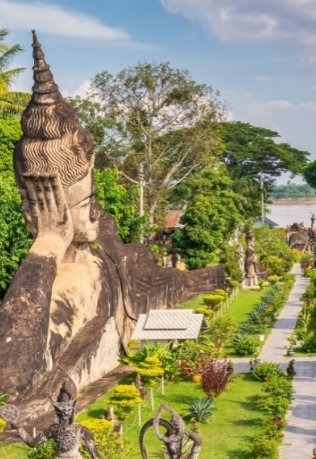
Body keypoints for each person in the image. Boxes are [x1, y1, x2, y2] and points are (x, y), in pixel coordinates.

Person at [0, 33, 223, 425]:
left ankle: (212, 276)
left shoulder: (97, 233)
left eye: (91, 201)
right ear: (38, 209)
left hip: (128, 270)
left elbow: (138, 269)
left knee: (167, 272)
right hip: (108, 275)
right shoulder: (55, 284)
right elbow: (12, 384)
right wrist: (49, 242)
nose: (92, 214)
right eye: (82, 206)